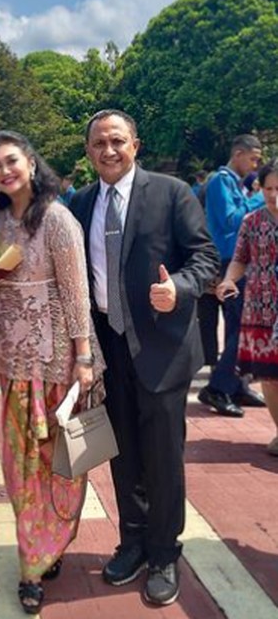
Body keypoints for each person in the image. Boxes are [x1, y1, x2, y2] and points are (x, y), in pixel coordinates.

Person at [70, 110, 219, 607]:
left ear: (136, 144)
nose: (108, 151)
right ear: (88, 149)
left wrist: (177, 288)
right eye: (98, 143)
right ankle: (132, 541)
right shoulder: (82, 202)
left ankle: (162, 553)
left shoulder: (171, 193)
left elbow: (205, 257)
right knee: (124, 452)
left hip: (161, 347)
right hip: (110, 347)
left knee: (161, 458)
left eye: (117, 141)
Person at [0, 130, 102, 615]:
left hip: (60, 364)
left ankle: (36, 561)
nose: (5, 171)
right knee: (19, 466)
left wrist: (84, 359)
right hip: (12, 362)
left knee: (64, 464)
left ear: (31, 163)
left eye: (11, 161)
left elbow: (77, 295)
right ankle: (38, 549)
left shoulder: (57, 220)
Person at [200, 134, 266, 417]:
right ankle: (217, 387)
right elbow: (230, 219)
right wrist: (263, 196)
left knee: (236, 325)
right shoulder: (220, 181)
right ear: (238, 153)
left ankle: (237, 384)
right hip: (230, 261)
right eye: (253, 158)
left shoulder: (236, 184)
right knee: (241, 326)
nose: (255, 165)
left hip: (239, 260)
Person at [216, 160, 278, 455]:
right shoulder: (252, 222)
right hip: (261, 310)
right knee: (270, 377)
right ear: (260, 188)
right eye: (269, 189)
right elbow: (240, 258)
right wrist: (229, 280)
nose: (275, 196)